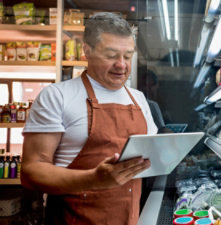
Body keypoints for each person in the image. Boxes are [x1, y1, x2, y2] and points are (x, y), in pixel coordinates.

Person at [21, 12, 158, 225]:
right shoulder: (57, 96)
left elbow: (151, 157)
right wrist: (94, 179)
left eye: (128, 56)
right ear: (87, 51)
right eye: (111, 55)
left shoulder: (139, 99)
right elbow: (31, 172)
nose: (122, 65)